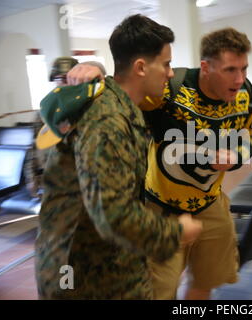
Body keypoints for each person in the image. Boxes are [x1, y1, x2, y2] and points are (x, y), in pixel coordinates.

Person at [61, 27, 252, 300]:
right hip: (161, 208)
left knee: (206, 280)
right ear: (206, 67)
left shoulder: (246, 93)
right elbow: (123, 89)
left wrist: (237, 154)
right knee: (159, 290)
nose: (239, 79)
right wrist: (93, 71)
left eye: (244, 69)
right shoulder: (169, 88)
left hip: (212, 202)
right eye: (230, 70)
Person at [34, 14, 202, 300]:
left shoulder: (120, 105)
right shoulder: (108, 119)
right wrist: (174, 232)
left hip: (106, 261)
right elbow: (112, 215)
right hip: (80, 273)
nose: (170, 73)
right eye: (166, 64)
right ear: (140, 67)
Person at [24, 57, 79, 199]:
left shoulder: (85, 107)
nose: (63, 82)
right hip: (51, 181)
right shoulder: (45, 110)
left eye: (68, 78)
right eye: (60, 78)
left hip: (77, 183)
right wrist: (31, 178)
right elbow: (33, 147)